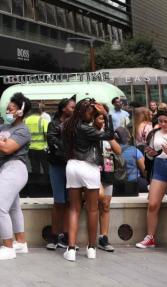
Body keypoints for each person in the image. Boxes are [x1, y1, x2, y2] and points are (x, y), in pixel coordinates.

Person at [62, 99, 114, 262]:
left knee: (74, 209)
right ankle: (91, 247)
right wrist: (107, 115)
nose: (92, 115)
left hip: (72, 166)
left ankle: (71, 249)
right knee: (92, 210)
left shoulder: (68, 126)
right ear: (83, 112)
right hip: (88, 167)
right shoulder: (86, 128)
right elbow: (109, 135)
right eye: (91, 112)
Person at [0, 92, 31, 261]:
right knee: (12, 206)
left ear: (21, 111)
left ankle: (8, 246)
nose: (8, 112)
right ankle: (21, 242)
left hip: (14, 168)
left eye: (12, 109)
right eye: (8, 109)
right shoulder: (2, 127)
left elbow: (7, 150)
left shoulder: (23, 130)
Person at [136, 108, 167, 252]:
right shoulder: (153, 133)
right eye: (160, 121)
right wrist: (151, 154)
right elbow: (151, 155)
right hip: (159, 167)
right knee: (153, 204)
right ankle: (150, 237)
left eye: (166, 121)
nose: (163, 124)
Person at [45, 96, 74, 250]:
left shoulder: (77, 124)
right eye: (71, 107)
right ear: (63, 108)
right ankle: (54, 235)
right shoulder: (54, 124)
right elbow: (53, 142)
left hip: (73, 166)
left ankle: (67, 235)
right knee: (59, 202)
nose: (74, 110)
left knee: (71, 202)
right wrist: (70, 151)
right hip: (58, 166)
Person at [94, 107, 121, 252]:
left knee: (105, 205)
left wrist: (109, 136)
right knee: (96, 200)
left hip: (108, 171)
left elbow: (118, 150)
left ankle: (103, 237)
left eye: (104, 118)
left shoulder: (108, 133)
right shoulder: (89, 132)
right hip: (92, 172)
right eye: (100, 118)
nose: (103, 121)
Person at [115, 127, 146, 195]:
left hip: (116, 184)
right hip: (133, 183)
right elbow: (144, 170)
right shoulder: (135, 151)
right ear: (128, 138)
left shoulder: (110, 150)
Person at [24, 102, 50, 180]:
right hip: (43, 149)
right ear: (39, 110)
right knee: (46, 168)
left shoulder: (26, 120)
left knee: (35, 169)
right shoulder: (43, 120)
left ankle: (36, 185)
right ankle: (47, 185)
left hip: (31, 149)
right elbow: (47, 134)